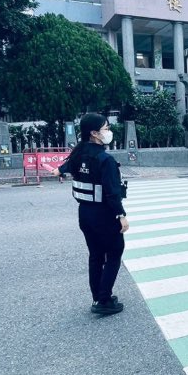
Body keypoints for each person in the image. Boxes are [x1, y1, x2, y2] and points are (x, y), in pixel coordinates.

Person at [54, 113, 128, 315]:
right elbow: (112, 193)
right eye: (106, 128)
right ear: (94, 133)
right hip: (104, 215)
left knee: (96, 256)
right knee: (114, 253)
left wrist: (58, 170)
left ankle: (98, 297)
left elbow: (63, 168)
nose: (109, 132)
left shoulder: (78, 154)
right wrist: (121, 215)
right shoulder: (105, 159)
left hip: (85, 214)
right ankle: (104, 300)